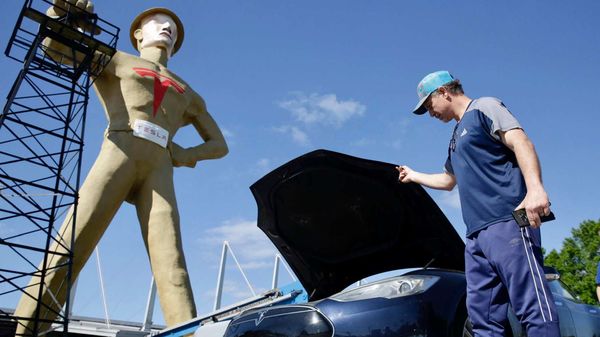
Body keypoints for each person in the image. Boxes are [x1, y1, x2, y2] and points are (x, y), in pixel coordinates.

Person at [15, 1, 228, 335]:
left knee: (172, 262)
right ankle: (23, 331)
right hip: (118, 154)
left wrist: (184, 153)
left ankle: (187, 332)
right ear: (138, 34)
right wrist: (61, 13)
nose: (167, 26)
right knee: (71, 245)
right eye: (158, 21)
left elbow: (220, 145)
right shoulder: (115, 59)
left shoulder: (188, 93)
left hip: (160, 170)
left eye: (172, 24)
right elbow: (57, 47)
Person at [397, 71, 560, 336]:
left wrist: (535, 189)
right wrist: (414, 175)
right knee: (482, 317)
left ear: (444, 93)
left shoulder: (485, 107)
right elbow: (449, 180)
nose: (430, 113)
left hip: (508, 222)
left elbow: (520, 141)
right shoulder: (454, 140)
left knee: (532, 306)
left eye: (429, 105)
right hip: (475, 236)